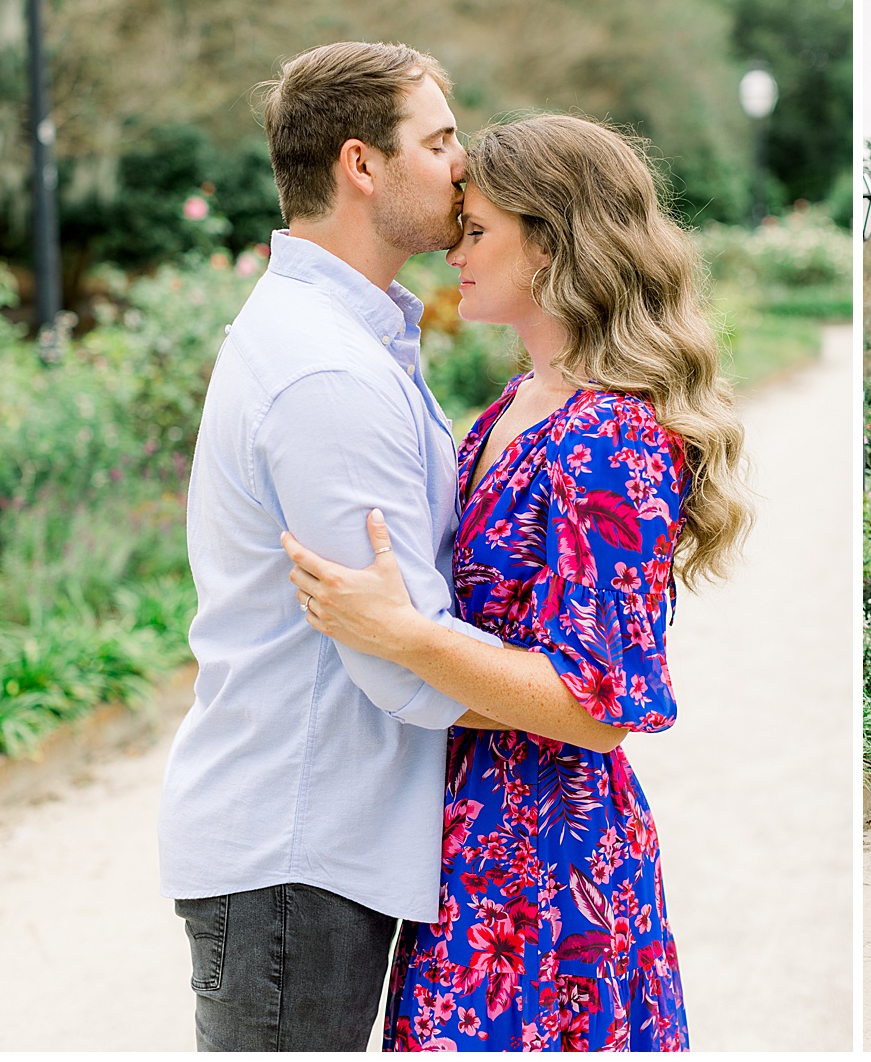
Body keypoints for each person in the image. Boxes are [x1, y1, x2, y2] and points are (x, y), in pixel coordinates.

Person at [279, 112, 751, 1051]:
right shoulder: (525, 400)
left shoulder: (612, 438)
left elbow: (595, 704)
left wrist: (404, 635)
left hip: (547, 877)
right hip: (472, 846)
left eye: (480, 230)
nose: (455, 246)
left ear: (552, 245)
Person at [159, 41, 509, 1051]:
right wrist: (575, 706)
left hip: (308, 851)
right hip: (293, 854)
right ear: (363, 165)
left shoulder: (343, 338)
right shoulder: (325, 372)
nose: (462, 164)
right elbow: (397, 660)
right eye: (439, 140)